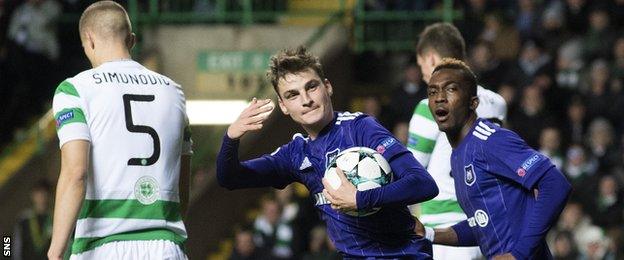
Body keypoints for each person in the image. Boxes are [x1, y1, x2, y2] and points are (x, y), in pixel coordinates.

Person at [217, 46, 439, 258]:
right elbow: (230, 178)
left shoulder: (361, 128)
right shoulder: (295, 154)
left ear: (328, 87)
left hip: (402, 255)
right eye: (293, 95)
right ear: (283, 106)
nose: (306, 100)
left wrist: (361, 199)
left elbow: (423, 184)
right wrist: (231, 138)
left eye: (311, 87)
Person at [47, 1, 192, 259]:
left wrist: (55, 252)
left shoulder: (75, 90)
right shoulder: (174, 92)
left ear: (89, 40)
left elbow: (75, 174)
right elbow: (183, 185)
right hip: (166, 247)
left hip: (103, 245)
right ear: (132, 40)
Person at [417, 58, 571, 259]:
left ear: (473, 103)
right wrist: (428, 233)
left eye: (451, 89)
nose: (439, 98)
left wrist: (518, 254)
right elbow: (482, 223)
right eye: (432, 92)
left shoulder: (490, 140)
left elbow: (555, 183)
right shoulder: (458, 155)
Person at [408, 22, 506, 260]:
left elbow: (410, 172)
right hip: (489, 223)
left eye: (421, 65)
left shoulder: (428, 108)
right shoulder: (497, 102)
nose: (422, 72)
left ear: (431, 59)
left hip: (446, 226)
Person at [13, 179, 53, 260]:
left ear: (49, 195)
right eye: (38, 193)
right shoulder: (24, 219)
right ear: (32, 195)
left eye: (44, 192)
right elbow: (12, 243)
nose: (41, 196)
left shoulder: (54, 218)